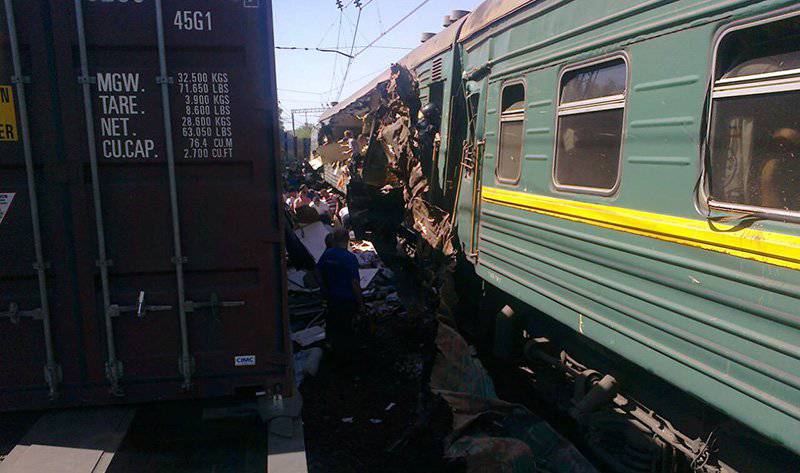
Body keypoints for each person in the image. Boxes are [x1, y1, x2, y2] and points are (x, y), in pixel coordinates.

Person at [317, 227, 363, 361]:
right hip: (347, 302)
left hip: (332, 300)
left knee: (332, 328)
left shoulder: (327, 254)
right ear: (347, 239)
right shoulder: (349, 258)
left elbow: (317, 272)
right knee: (347, 331)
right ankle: (346, 360)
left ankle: (332, 354)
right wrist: (361, 304)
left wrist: (323, 289)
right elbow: (355, 283)